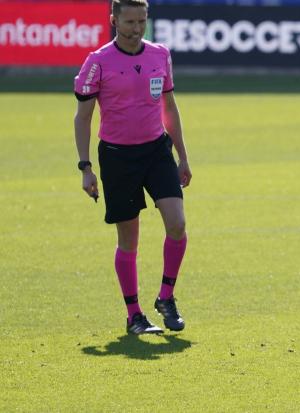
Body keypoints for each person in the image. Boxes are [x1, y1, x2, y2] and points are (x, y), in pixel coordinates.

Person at [73, 0, 191, 335]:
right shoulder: (98, 62)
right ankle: (134, 314)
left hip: (156, 151)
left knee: (178, 224)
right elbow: (83, 117)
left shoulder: (160, 54)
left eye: (142, 21)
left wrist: (182, 154)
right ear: (114, 21)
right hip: (117, 156)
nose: (137, 28)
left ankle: (166, 297)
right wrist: (85, 167)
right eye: (129, 22)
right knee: (129, 239)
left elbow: (169, 106)